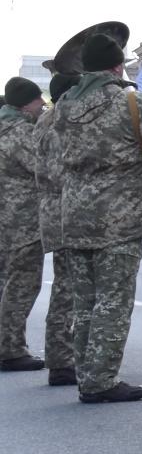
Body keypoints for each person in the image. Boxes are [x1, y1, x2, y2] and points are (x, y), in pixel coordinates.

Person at [53, 32, 142, 402]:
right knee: (114, 300)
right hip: (119, 217)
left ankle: (87, 375)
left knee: (85, 303)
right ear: (117, 67)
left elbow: (52, 154)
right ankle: (101, 382)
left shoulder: (63, 105)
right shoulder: (133, 101)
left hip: (75, 214)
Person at [34, 72, 81, 386]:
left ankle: (62, 358)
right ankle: (62, 361)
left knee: (67, 287)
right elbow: (62, 172)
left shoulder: (47, 120)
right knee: (68, 290)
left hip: (55, 211)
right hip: (67, 210)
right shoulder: (61, 122)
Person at [0, 77, 47, 374]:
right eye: (38, 100)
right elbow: (45, 168)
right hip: (24, 222)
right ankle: (12, 350)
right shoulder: (21, 133)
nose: (43, 105)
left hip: (6, 220)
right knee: (21, 286)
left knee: (5, 284)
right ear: (25, 104)